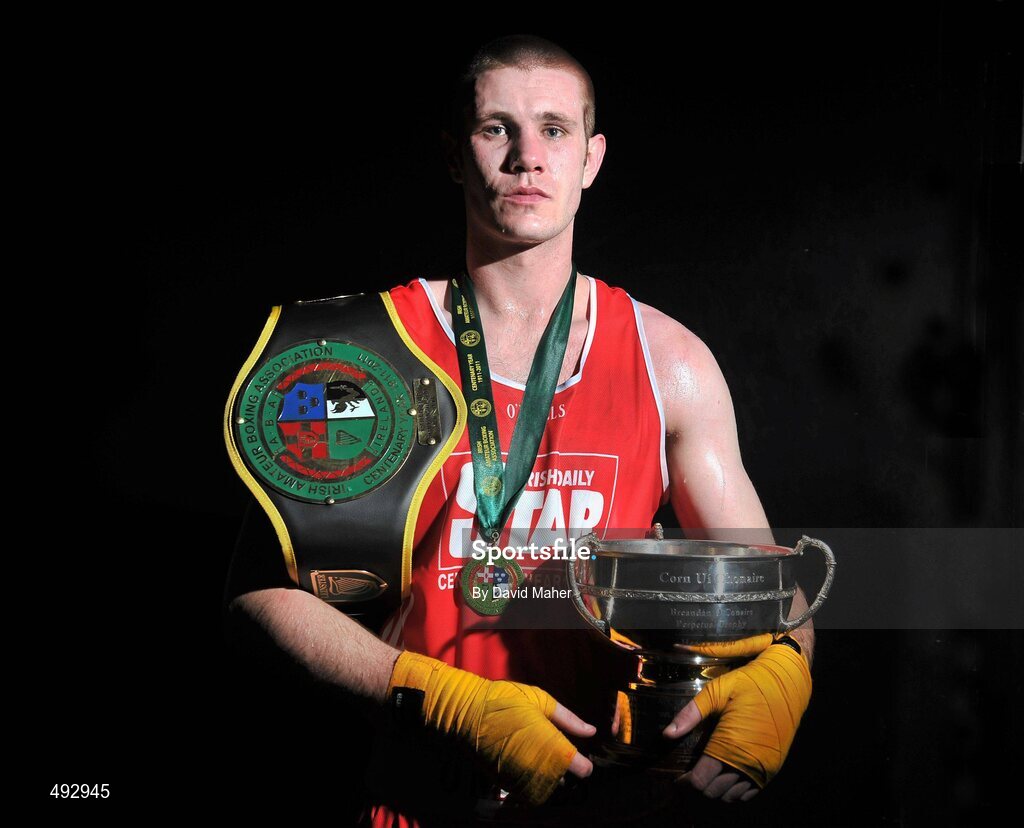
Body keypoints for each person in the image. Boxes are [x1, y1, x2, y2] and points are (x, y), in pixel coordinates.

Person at [225, 34, 815, 826]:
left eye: (554, 129)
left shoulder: (668, 362)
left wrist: (788, 677)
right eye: (496, 128)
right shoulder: (363, 359)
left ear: (591, 159)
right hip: (413, 801)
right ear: (455, 155)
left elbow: (774, 596)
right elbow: (259, 593)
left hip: (604, 805)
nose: (527, 157)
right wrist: (439, 700)